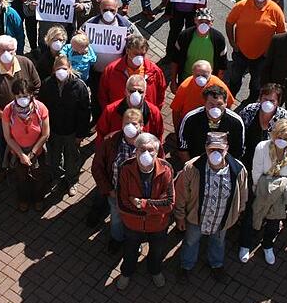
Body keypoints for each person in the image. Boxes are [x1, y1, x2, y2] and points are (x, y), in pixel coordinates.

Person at [175, 132, 248, 283]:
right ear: (205, 148)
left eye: (220, 150)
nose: (216, 153)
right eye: (212, 149)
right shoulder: (192, 168)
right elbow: (181, 194)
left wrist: (238, 212)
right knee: (190, 241)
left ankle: (216, 264)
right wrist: (180, 216)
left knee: (219, 242)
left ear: (227, 148)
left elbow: (243, 193)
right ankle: (186, 266)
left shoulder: (238, 170)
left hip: (222, 218)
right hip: (196, 218)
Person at [236, 84, 287, 255]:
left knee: (272, 212)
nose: (268, 103)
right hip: (248, 165)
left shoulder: (286, 119)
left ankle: (267, 243)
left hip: (272, 173)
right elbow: (240, 132)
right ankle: (245, 242)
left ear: (278, 102)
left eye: (272, 100)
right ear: (260, 98)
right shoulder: (249, 111)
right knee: (249, 205)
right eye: (265, 99)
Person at [115, 133, 174, 290]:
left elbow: (168, 203)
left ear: (157, 152)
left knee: (156, 251)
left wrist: (143, 204)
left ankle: (155, 271)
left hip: (158, 225)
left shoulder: (166, 170)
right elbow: (122, 202)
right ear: (136, 151)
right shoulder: (126, 168)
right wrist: (150, 210)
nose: (146, 154)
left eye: (151, 150)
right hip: (133, 225)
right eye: (142, 150)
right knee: (130, 250)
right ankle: (126, 272)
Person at [0, 35, 41, 176]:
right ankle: (3, 167)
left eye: (10, 50)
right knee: (2, 143)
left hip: (27, 116)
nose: (6, 53)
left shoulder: (26, 63)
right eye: (2, 50)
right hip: (1, 119)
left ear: (16, 50)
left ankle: (26, 165)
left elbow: (36, 86)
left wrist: (29, 107)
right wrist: (6, 116)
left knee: (26, 141)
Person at [245, 119, 287, 264]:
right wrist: (260, 188)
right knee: (253, 215)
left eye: (286, 138)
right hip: (261, 189)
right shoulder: (262, 147)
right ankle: (245, 244)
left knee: (274, 222)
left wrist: (277, 187)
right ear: (273, 134)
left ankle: (268, 245)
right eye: (279, 137)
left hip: (280, 193)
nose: (282, 141)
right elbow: (256, 171)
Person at [91, 109, 145, 252]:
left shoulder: (148, 145)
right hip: (115, 194)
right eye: (127, 123)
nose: (130, 127)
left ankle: (135, 243)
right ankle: (117, 239)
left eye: (134, 123)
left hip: (138, 198)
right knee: (116, 219)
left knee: (136, 221)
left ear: (142, 126)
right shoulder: (110, 141)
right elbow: (97, 167)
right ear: (122, 125)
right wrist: (109, 190)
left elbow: (158, 169)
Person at [226, 0, 286, 107]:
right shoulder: (241, 5)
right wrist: (232, 42)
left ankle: (250, 103)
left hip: (262, 57)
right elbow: (229, 23)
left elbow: (281, 34)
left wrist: (270, 51)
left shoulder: (276, 10)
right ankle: (229, 99)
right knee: (235, 79)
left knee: (257, 84)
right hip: (240, 53)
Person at [40, 56, 91, 196]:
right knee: (53, 157)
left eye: (64, 68)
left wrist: (81, 134)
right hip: (54, 131)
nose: (61, 71)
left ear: (69, 68)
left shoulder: (79, 86)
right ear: (53, 70)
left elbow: (85, 112)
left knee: (72, 158)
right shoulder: (47, 84)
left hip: (72, 132)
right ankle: (56, 177)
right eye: (58, 69)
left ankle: (72, 180)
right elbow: (42, 108)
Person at [2, 79, 50, 212]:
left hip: (37, 151)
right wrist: (21, 155)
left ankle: (38, 198)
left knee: (39, 177)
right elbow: (8, 137)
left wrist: (33, 153)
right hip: (17, 152)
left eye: (25, 96)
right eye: (18, 96)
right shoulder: (8, 111)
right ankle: (23, 199)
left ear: (31, 95)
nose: (22, 99)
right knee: (21, 178)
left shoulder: (40, 109)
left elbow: (45, 134)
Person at [179, 85, 245, 163]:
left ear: (226, 103)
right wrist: (191, 169)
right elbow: (183, 147)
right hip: (197, 162)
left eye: (219, 104)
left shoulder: (236, 122)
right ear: (204, 103)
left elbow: (238, 151)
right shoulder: (190, 119)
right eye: (211, 104)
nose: (215, 108)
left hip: (223, 165)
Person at [99, 35, 167, 109]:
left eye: (142, 54)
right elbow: (103, 94)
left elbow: (161, 94)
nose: (139, 57)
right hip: (119, 114)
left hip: (144, 114)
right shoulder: (111, 70)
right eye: (136, 54)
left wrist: (153, 112)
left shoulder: (154, 71)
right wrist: (111, 113)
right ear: (127, 51)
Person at [96, 75, 164, 147]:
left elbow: (158, 135)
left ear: (145, 93)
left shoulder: (154, 112)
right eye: (132, 91)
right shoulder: (110, 110)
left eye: (140, 91)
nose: (136, 94)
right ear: (125, 91)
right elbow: (101, 134)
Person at [170, 8, 228, 89]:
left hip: (208, 82)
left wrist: (216, 85)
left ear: (211, 23)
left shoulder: (219, 39)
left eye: (207, 22)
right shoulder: (185, 36)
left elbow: (222, 66)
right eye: (201, 21)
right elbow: (175, 60)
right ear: (195, 21)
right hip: (186, 79)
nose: (204, 25)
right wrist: (173, 81)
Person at [171, 61, 234, 132]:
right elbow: (176, 110)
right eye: (198, 75)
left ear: (211, 72)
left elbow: (228, 105)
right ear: (193, 73)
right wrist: (177, 129)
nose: (201, 79)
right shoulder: (184, 87)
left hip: (211, 124)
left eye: (204, 76)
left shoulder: (220, 86)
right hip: (190, 124)